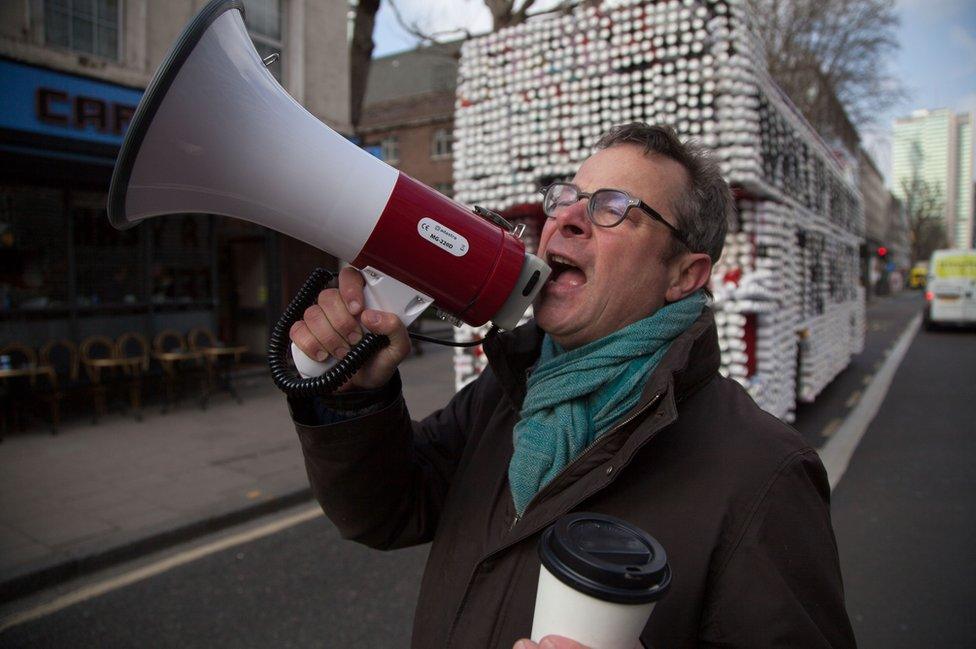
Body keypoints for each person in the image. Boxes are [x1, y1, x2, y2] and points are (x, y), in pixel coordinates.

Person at [287, 123, 856, 648]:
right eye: (566, 198)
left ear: (685, 275)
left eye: (614, 208)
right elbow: (390, 510)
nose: (566, 219)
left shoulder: (764, 473)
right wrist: (355, 397)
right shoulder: (510, 390)